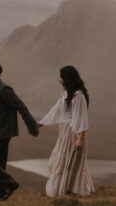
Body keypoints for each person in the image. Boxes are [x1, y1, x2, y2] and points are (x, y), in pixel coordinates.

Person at [0, 60, 39, 201]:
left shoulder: (4, 90)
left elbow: (21, 107)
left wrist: (32, 126)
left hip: (1, 134)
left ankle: (10, 183)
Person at [38, 65, 94, 197]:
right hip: (63, 134)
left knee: (70, 162)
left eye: (61, 77)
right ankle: (62, 190)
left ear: (66, 79)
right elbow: (55, 111)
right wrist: (40, 124)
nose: (59, 80)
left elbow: (81, 117)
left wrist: (80, 138)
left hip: (73, 133)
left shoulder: (78, 96)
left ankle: (68, 191)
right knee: (58, 161)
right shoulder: (65, 94)